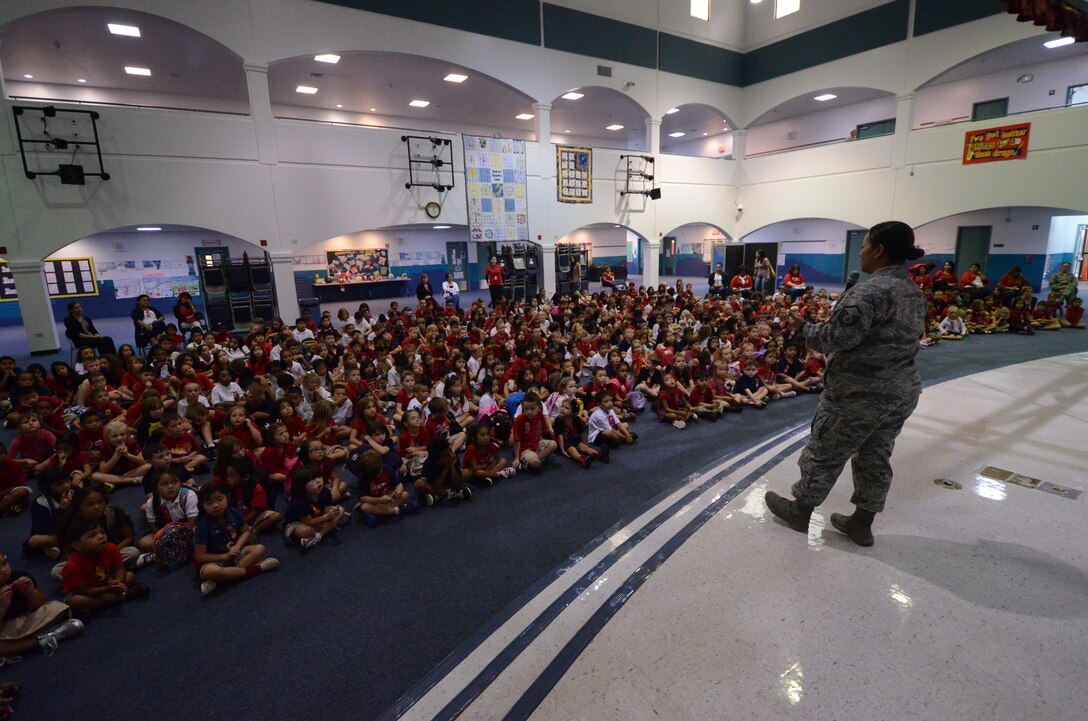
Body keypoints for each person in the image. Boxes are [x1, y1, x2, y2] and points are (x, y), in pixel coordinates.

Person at [765, 221, 927, 547]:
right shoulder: (914, 291)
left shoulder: (868, 293)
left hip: (859, 391)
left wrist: (804, 328)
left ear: (879, 251)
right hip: (901, 390)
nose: (861, 253)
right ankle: (862, 522)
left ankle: (801, 509)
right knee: (876, 453)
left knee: (826, 449)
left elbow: (835, 338)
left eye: (864, 246)